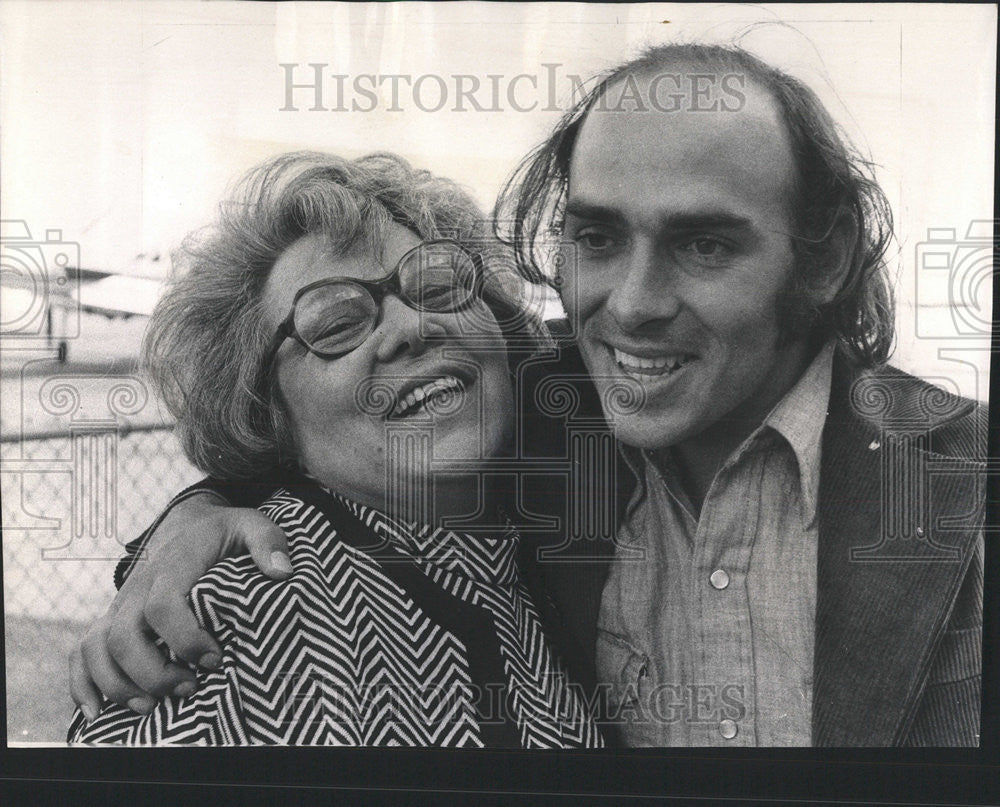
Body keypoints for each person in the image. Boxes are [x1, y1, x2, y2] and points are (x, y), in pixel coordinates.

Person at [71, 43, 985, 747]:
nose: (630, 305)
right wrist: (201, 516)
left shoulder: (963, 482)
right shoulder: (243, 617)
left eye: (707, 244)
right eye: (595, 236)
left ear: (821, 256)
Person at [67, 151, 603, 747]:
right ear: (267, 414)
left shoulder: (519, 557)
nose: (410, 327)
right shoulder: (236, 621)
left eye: (438, 286)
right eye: (335, 325)